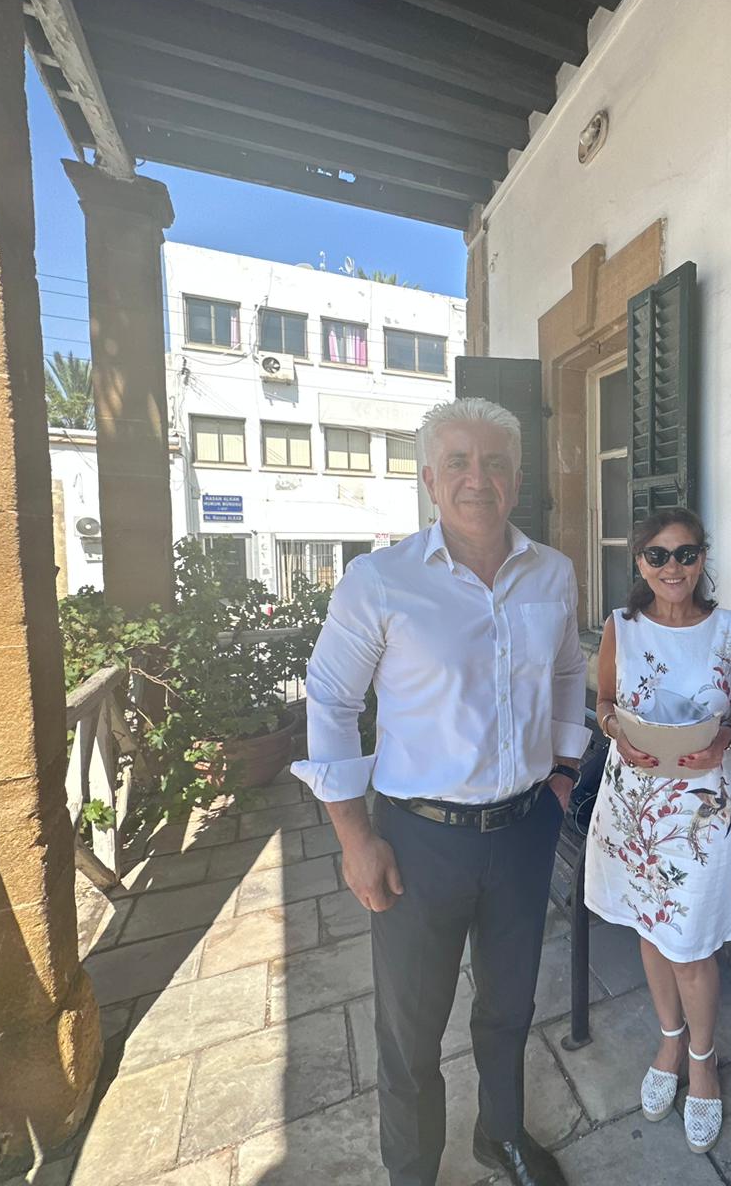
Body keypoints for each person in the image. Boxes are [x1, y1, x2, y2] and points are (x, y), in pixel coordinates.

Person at [291, 397, 584, 1186]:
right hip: (419, 841)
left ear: (517, 478)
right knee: (410, 1030)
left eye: (495, 463)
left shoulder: (552, 573)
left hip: (524, 831)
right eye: (458, 462)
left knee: (510, 1006)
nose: (477, 479)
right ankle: (413, 1170)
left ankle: (501, 1134)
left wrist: (561, 774)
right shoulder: (380, 581)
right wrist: (355, 838)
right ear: (429, 478)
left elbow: (566, 674)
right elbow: (331, 702)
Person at [586, 508, 731, 1155]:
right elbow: (604, 702)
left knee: (691, 945)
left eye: (685, 553)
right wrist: (615, 731)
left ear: (703, 558)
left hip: (703, 810)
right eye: (657, 555)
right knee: (651, 930)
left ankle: (703, 1063)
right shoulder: (620, 628)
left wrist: (727, 738)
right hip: (634, 803)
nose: (672, 567)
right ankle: (670, 1041)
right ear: (640, 562)